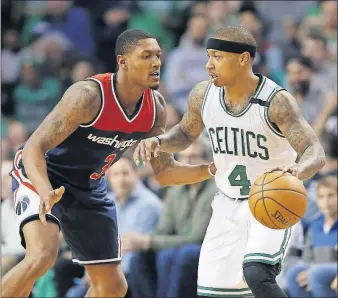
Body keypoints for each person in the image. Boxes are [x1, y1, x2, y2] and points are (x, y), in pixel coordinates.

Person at [1, 29, 216, 298]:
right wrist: (44, 190)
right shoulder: (89, 96)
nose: (156, 62)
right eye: (146, 56)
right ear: (123, 62)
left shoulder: (155, 110)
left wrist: (211, 170)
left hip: (88, 187)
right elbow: (34, 147)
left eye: (159, 56)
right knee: (42, 256)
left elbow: (165, 173)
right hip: (43, 174)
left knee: (113, 288)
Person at [134, 25, 326, 298]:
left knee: (258, 274)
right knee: (214, 293)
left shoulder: (276, 101)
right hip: (225, 204)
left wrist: (298, 169)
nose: (208, 65)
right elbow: (186, 134)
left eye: (217, 57)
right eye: (208, 56)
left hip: (271, 200)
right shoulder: (203, 95)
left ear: (243, 58)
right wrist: (160, 142)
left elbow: (314, 151)